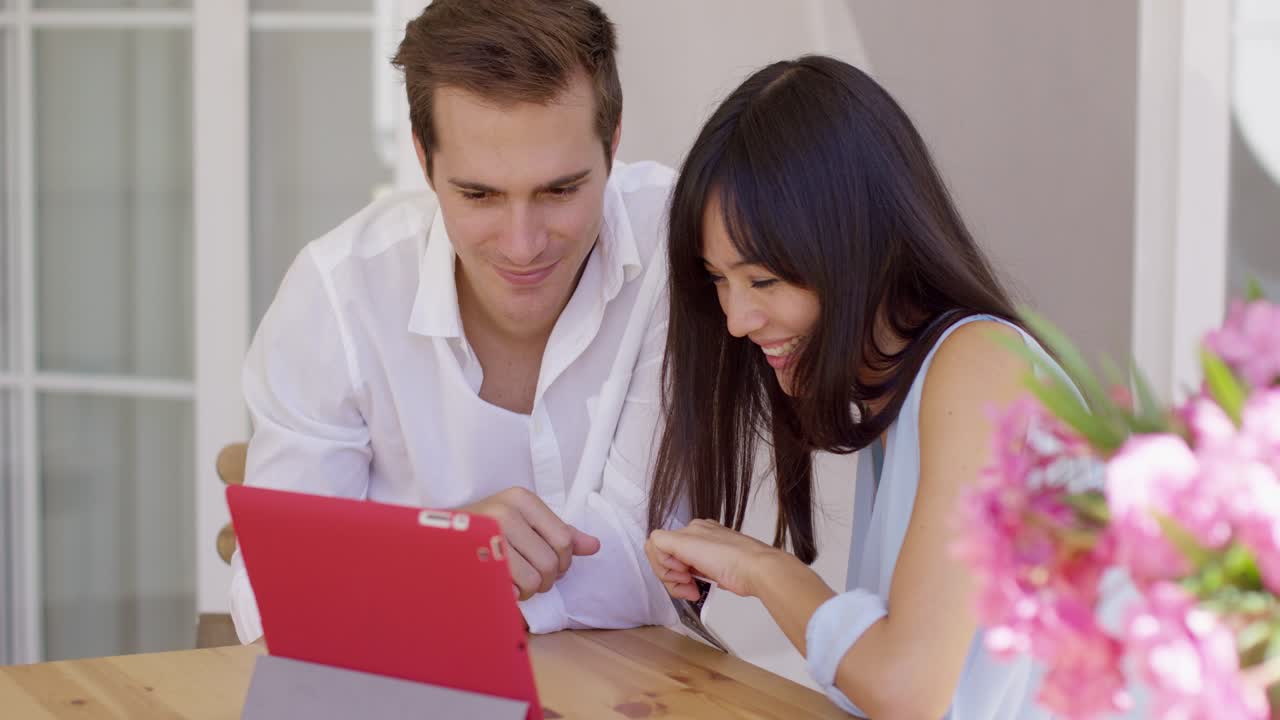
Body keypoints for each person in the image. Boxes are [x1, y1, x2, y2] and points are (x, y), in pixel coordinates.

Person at [230, 0, 676, 643]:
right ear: (422, 158)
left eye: (559, 191)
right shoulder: (339, 293)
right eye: (479, 195)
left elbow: (648, 563)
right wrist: (446, 559)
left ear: (613, 143)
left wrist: (409, 582)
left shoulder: (680, 250)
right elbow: (271, 599)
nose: (523, 246)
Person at [644, 55, 1051, 718]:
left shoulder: (979, 367)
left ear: (861, 245)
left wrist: (767, 572)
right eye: (719, 279)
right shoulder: (907, 389)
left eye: (763, 281)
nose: (736, 320)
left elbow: (908, 689)